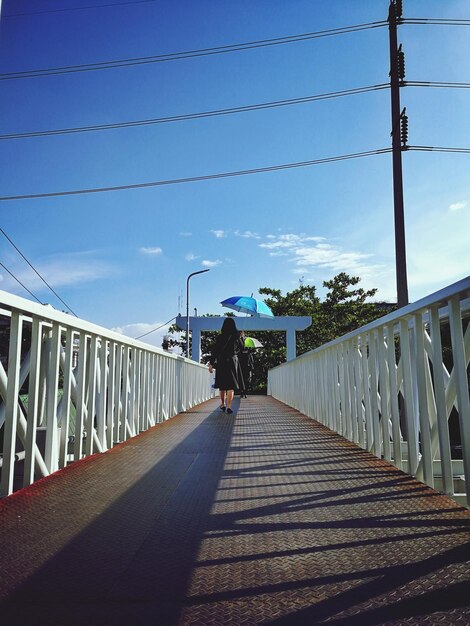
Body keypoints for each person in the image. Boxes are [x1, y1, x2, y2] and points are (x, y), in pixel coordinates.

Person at [208, 317, 244, 414]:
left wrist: (211, 363)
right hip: (232, 361)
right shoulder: (237, 336)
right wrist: (241, 337)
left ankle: (223, 404)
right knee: (230, 386)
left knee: (222, 385)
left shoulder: (220, 337)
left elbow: (215, 351)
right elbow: (242, 348)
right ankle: (229, 406)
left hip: (221, 362)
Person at [238, 332, 255, 398]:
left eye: (242, 333)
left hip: (248, 363)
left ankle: (245, 392)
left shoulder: (248, 340)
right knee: (240, 378)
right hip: (241, 363)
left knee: (247, 379)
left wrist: (248, 351)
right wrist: (241, 352)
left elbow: (252, 350)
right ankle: (242, 392)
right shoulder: (238, 341)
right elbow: (236, 351)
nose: (242, 334)